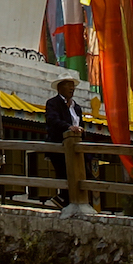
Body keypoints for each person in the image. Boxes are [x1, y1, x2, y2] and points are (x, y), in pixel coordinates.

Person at [44, 77, 81, 206]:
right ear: (60, 87)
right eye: (68, 85)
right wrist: (68, 127)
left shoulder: (76, 107)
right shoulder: (53, 103)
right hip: (59, 145)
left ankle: (74, 200)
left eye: (73, 86)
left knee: (82, 173)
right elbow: (53, 121)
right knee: (64, 173)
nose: (72, 88)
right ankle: (64, 200)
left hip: (77, 147)